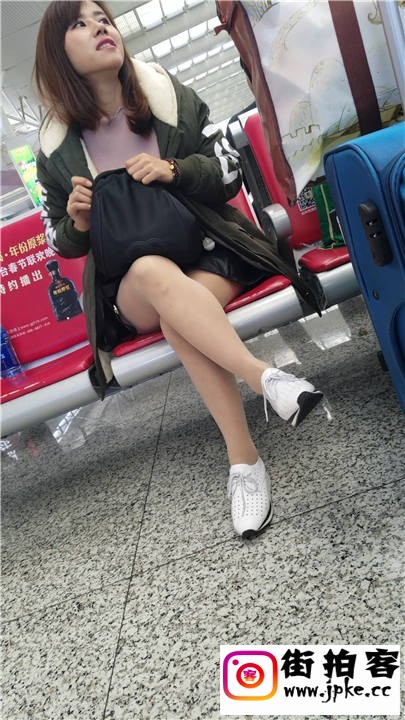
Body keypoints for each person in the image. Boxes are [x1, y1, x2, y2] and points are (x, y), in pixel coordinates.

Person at [34, 1, 323, 540]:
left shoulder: (169, 100)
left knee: (180, 319)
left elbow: (229, 171)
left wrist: (172, 168)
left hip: (210, 249)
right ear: (57, 53)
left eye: (103, 17)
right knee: (152, 272)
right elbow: (60, 238)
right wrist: (77, 221)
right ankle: (265, 377)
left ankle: (244, 462)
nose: (100, 26)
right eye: (79, 23)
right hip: (132, 285)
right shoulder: (57, 150)